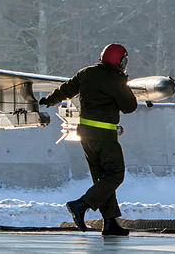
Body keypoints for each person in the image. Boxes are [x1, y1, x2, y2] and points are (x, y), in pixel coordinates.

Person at [39, 44, 137, 237]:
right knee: (115, 174)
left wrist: (48, 100)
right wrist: (123, 83)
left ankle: (109, 223)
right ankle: (81, 204)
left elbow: (66, 90)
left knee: (101, 179)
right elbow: (129, 107)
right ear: (121, 61)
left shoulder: (86, 73)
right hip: (105, 135)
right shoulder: (115, 79)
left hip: (85, 135)